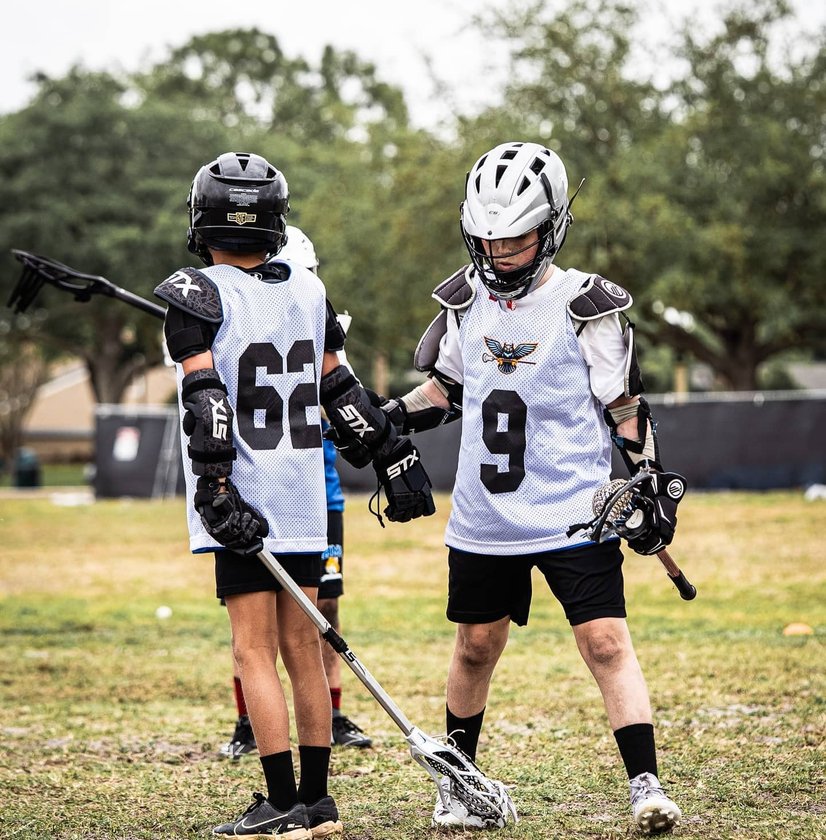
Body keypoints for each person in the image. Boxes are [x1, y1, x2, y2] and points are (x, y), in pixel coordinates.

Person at [381, 142, 686, 835]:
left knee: (607, 643)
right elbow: (446, 390)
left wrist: (647, 480)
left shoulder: (585, 305)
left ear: (550, 228)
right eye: (488, 236)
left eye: (515, 236)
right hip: (485, 517)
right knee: (475, 646)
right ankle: (459, 785)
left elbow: (624, 409)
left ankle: (646, 786)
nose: (500, 250)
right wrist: (388, 415)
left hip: (576, 512)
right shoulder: (465, 301)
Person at [154, 152, 434, 838]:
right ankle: (317, 799)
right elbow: (341, 395)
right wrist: (391, 451)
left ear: (202, 220)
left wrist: (216, 487)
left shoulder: (194, 293)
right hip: (305, 496)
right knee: (303, 648)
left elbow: (206, 400)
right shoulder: (310, 292)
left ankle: (280, 801)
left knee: (253, 650)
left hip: (245, 497)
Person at [219, 226, 371, 759]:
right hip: (277, 495)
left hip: (316, 496)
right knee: (264, 632)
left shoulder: (315, 321)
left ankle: (324, 721)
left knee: (310, 619)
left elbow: (345, 402)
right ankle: (253, 725)